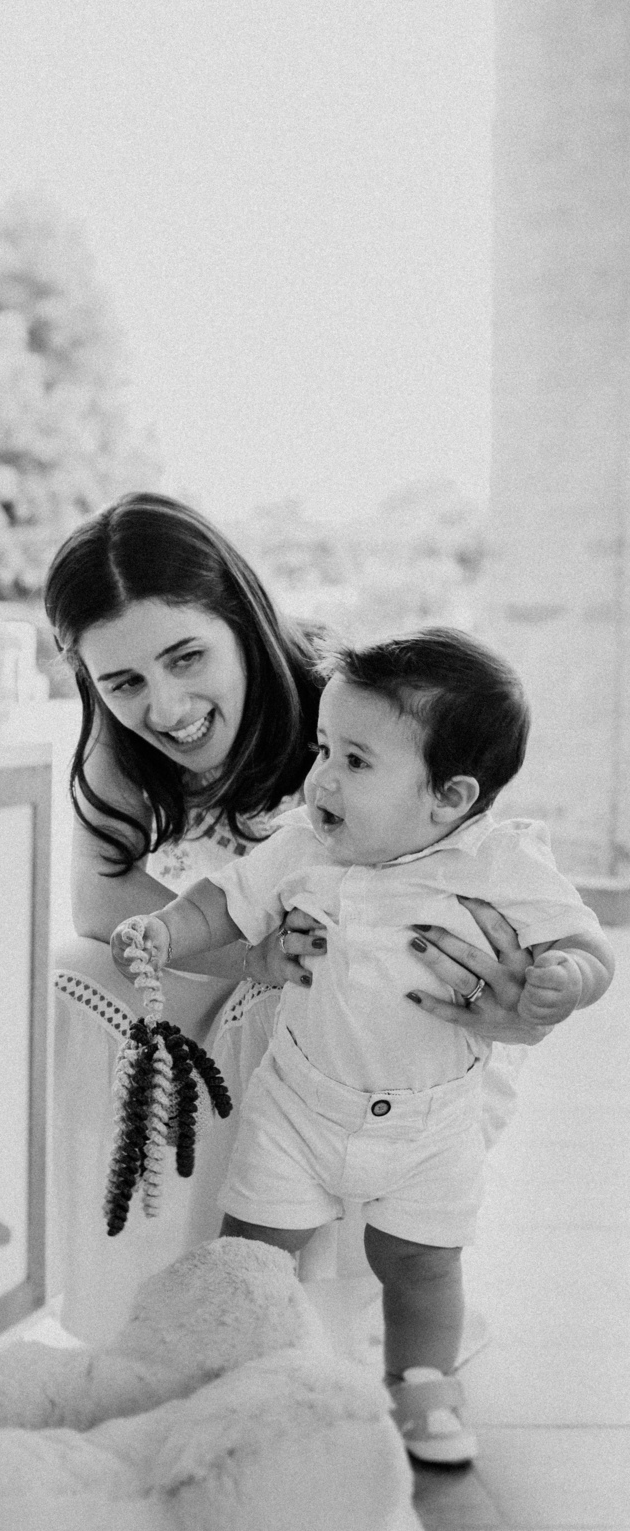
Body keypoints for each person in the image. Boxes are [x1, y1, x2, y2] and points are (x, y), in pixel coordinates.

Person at [46, 492, 569, 1348]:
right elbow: (99, 903)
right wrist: (249, 953)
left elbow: (474, 873)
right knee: (73, 977)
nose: (165, 708)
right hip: (240, 970)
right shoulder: (119, 741)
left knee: (308, 982)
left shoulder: (346, 708)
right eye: (125, 682)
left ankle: (323, 1308)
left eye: (187, 657)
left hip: (376, 1021)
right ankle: (147, 1293)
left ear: (241, 619)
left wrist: (521, 1000)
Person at [111, 626, 615, 1464]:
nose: (321, 779)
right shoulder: (304, 845)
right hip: (300, 1106)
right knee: (254, 1251)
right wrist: (165, 931)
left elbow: (584, 939)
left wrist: (570, 975)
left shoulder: (499, 860)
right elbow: (222, 900)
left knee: (422, 1264)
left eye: (354, 760)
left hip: (432, 1124)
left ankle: (423, 1385)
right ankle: (239, 1372)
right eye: (322, 749)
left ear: (449, 797)